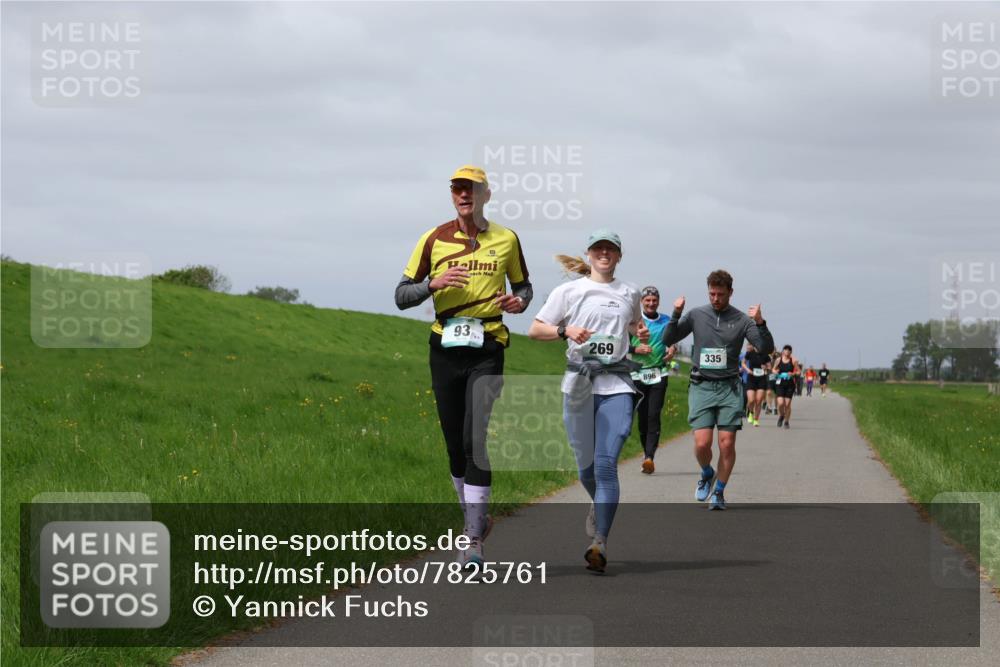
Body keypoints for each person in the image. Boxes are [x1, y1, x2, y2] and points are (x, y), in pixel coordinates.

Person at [395, 165, 532, 568]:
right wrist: (432, 285)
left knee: (475, 438)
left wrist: (519, 301)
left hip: (488, 345)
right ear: (451, 195)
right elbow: (401, 295)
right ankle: (474, 519)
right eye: (457, 189)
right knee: (454, 445)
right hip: (445, 347)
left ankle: (473, 542)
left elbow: (523, 286)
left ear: (486, 194)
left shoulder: (506, 239)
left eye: (471, 188)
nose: (464, 194)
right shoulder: (432, 238)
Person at [529, 229, 648, 573]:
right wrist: (565, 331)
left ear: (619, 255)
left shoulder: (630, 292)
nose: (604, 254)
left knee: (606, 463)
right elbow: (536, 330)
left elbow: (634, 324)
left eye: (611, 249)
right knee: (585, 466)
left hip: (618, 385)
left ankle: (600, 542)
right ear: (589, 253)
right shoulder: (569, 291)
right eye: (599, 249)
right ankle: (599, 504)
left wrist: (638, 332)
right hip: (579, 384)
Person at [662, 270, 774, 510]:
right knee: (702, 443)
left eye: (720, 294)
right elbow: (667, 338)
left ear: (730, 293)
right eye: (712, 293)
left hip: (729, 387)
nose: (716, 298)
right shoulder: (696, 315)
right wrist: (676, 313)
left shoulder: (743, 320)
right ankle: (706, 473)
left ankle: (719, 492)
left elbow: (765, 348)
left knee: (726, 443)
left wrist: (760, 322)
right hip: (702, 385)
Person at [629, 286, 677, 474]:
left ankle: (650, 457)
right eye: (647, 300)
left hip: (659, 374)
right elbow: (621, 346)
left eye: (654, 300)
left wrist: (672, 349)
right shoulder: (634, 322)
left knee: (653, 415)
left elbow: (673, 339)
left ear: (658, 301)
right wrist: (636, 350)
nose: (651, 303)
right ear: (642, 301)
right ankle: (645, 452)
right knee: (642, 418)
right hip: (637, 375)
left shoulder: (666, 320)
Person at [741, 343, 771, 426]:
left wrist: (765, 367)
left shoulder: (765, 355)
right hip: (751, 378)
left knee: (758, 400)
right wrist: (748, 370)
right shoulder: (750, 353)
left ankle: (756, 420)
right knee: (751, 400)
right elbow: (743, 363)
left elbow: (769, 367)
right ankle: (750, 412)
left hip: (761, 379)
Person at [772, 345, 800, 429]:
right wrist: (775, 372)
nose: (787, 351)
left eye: (789, 350)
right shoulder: (778, 360)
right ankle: (781, 416)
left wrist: (793, 374)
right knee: (780, 403)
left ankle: (786, 421)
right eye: (785, 350)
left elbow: (798, 371)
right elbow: (773, 369)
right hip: (780, 383)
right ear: (783, 351)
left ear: (791, 352)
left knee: (787, 404)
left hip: (789, 384)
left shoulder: (793, 360)